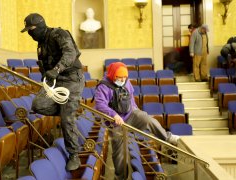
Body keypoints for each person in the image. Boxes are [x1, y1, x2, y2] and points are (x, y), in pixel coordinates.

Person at [94, 62, 180, 179]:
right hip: (116, 123)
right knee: (119, 154)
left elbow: (130, 98)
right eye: (120, 78)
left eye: (125, 77)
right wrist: (114, 115)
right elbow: (99, 104)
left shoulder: (126, 81)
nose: (123, 80)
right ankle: (120, 177)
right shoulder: (103, 86)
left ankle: (167, 137)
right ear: (113, 75)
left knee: (148, 119)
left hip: (130, 114)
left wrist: (136, 110)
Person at [21, 13, 85, 171]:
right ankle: (68, 109)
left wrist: (56, 69)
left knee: (66, 118)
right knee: (38, 105)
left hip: (71, 79)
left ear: (41, 26)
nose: (30, 34)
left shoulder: (58, 34)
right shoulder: (40, 44)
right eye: (27, 31)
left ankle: (74, 154)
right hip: (54, 82)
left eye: (31, 30)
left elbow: (70, 53)